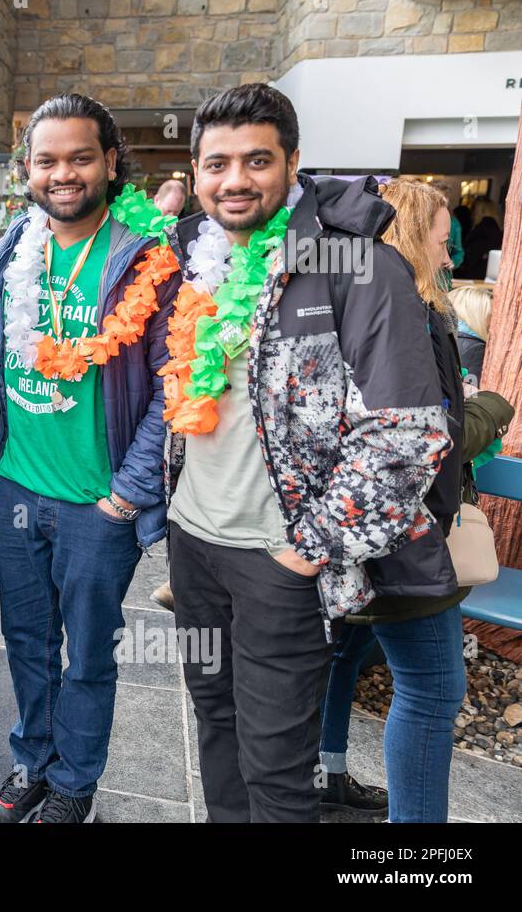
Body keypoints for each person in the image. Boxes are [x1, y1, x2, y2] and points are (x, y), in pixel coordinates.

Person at [165, 83, 452, 823]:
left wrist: (309, 550)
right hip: (195, 547)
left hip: (281, 563)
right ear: (196, 172)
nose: (235, 180)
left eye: (256, 160)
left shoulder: (356, 265)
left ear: (293, 164)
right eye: (217, 163)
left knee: (275, 772)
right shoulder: (192, 258)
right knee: (216, 730)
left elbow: (408, 435)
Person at [0, 94, 180, 824]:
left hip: (99, 504)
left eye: (79, 158)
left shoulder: (144, 261)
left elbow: (172, 386)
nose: (63, 174)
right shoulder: (11, 253)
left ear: (110, 162)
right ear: (27, 170)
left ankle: (74, 786)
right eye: (47, 160)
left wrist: (126, 494)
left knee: (88, 657)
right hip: (17, 488)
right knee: (28, 645)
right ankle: (33, 762)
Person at [317, 179, 515, 822]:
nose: (450, 248)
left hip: (348, 531)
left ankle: (329, 775)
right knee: (433, 690)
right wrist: (491, 408)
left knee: (342, 655)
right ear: (408, 232)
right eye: (440, 234)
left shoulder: (349, 301)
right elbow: (427, 440)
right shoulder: (412, 313)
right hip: (399, 534)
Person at [448, 284, 492, 386]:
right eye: (490, 315)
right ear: (477, 315)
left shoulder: (440, 336)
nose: (493, 321)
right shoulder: (476, 348)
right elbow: (472, 395)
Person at [459, 197, 503, 281]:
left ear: (480, 210)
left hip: (476, 273)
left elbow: (475, 251)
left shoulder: (485, 226)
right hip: (482, 273)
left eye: (475, 209)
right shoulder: (492, 226)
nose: (473, 212)